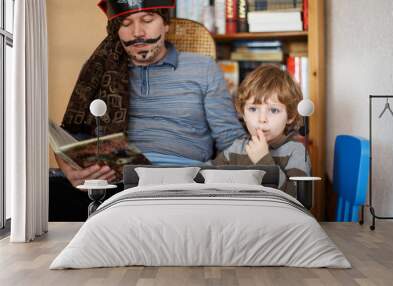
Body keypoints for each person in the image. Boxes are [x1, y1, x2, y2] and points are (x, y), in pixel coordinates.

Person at [50, 0, 246, 221]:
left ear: (166, 25)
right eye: (126, 23)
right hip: (119, 185)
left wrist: (276, 146)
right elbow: (74, 139)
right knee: (49, 195)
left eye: (147, 20)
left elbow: (230, 140)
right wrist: (71, 170)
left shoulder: (203, 68)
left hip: (186, 183)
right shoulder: (100, 72)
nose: (138, 32)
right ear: (117, 31)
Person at [212, 64, 311, 197]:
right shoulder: (236, 149)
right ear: (243, 113)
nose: (262, 119)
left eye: (274, 110)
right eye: (253, 109)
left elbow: (299, 198)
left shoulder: (296, 152)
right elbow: (209, 178)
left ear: (291, 116)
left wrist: (263, 161)